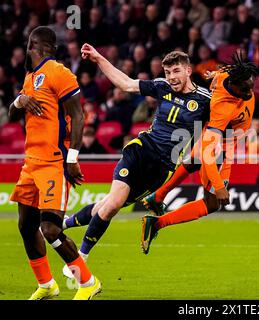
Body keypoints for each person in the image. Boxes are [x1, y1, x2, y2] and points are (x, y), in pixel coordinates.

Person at [63, 46, 210, 269]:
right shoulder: (161, 86)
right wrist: (99, 58)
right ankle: (79, 259)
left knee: (106, 205)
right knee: (113, 204)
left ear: (188, 70)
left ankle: (61, 224)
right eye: (168, 72)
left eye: (176, 71)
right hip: (141, 150)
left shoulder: (204, 100)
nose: (171, 77)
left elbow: (221, 121)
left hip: (162, 168)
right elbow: (126, 83)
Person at [8, 27, 100, 300]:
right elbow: (13, 114)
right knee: (26, 226)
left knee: (50, 228)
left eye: (27, 44)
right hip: (30, 163)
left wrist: (72, 158)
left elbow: (79, 116)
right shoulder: (30, 77)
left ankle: (88, 282)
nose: (25, 49)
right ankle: (47, 285)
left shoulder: (59, 72)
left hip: (54, 162)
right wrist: (20, 99)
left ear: (35, 44)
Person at [140, 53, 259, 254]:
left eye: (251, 85)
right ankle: (157, 223)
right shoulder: (222, 108)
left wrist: (215, 74)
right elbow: (208, 154)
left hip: (222, 139)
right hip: (220, 146)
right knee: (212, 204)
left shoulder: (230, 76)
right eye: (245, 89)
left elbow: (224, 71)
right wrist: (220, 186)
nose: (250, 91)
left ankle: (158, 196)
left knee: (193, 161)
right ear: (235, 86)